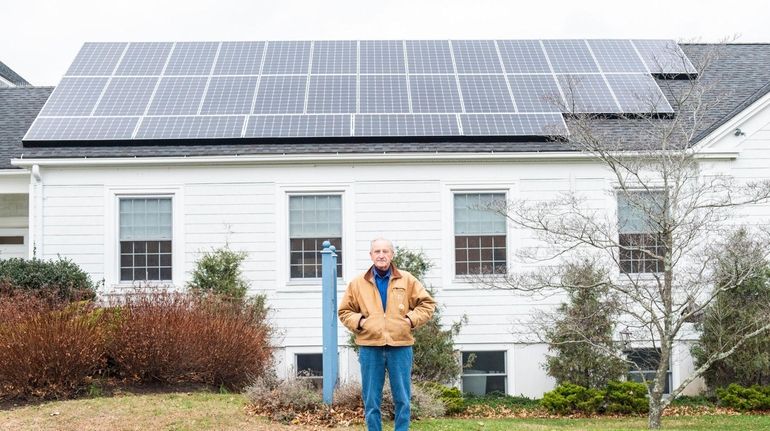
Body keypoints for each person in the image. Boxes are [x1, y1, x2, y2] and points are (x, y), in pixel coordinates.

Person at [338, 238, 436, 431]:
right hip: (370, 347)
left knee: (402, 398)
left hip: (400, 347)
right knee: (371, 400)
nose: (381, 255)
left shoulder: (407, 279)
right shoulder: (358, 283)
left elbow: (427, 304)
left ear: (392, 254)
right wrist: (361, 322)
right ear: (371, 255)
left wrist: (409, 320)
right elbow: (344, 311)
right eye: (377, 251)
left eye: (385, 251)